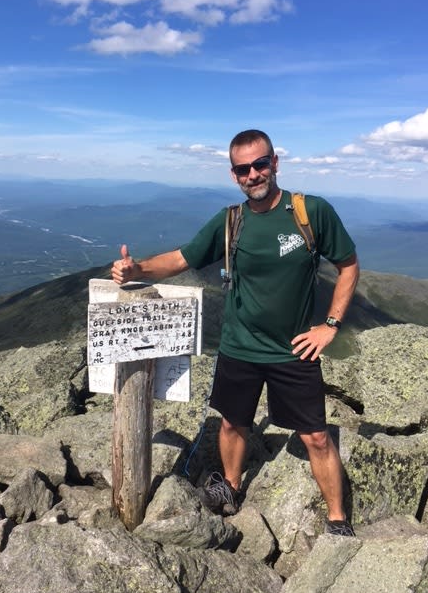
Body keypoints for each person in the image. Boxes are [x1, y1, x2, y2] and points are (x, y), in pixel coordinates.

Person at [111, 129, 359, 536]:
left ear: (275, 163)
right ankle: (230, 488)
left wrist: (329, 326)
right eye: (244, 169)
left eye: (261, 164)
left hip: (294, 350)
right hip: (239, 347)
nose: (254, 174)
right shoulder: (231, 221)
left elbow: (348, 264)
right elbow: (181, 258)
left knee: (315, 436)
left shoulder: (309, 212)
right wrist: (136, 271)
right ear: (234, 174)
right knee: (231, 424)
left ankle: (337, 520)